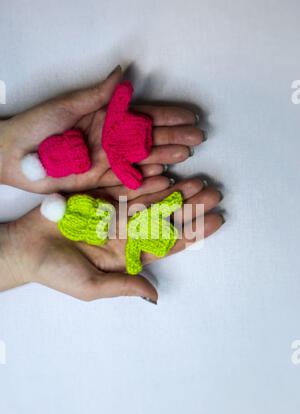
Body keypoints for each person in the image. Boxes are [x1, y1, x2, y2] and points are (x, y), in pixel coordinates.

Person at [0, 66, 224, 303]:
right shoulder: (130, 227)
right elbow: (140, 226)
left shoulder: (133, 224)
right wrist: (19, 253)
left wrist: (5, 150)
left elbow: (145, 210)